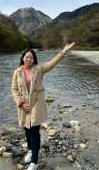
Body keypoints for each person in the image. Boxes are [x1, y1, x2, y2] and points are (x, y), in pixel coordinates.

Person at [11, 42, 75, 170]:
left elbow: (52, 63)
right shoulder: (17, 72)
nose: (28, 59)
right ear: (23, 58)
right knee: (27, 130)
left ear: (34, 59)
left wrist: (63, 51)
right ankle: (30, 150)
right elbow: (13, 89)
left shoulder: (39, 70)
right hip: (24, 106)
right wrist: (21, 103)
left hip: (36, 105)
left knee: (34, 132)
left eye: (31, 57)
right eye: (26, 56)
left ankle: (34, 162)